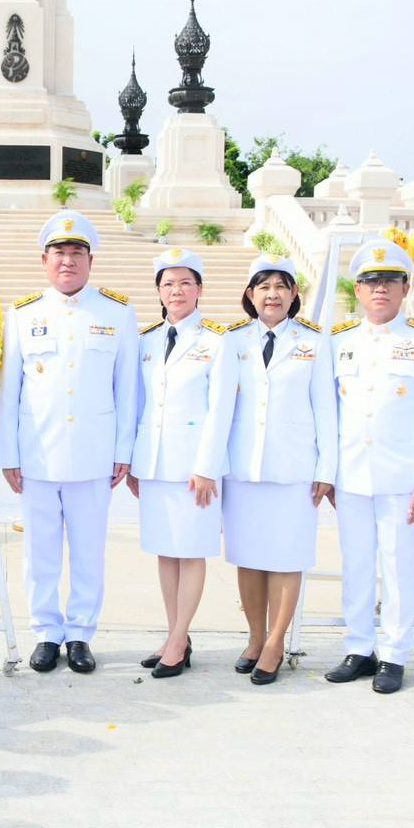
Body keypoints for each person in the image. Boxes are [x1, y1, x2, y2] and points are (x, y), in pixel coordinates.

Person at [0, 210, 139, 675]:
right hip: (37, 454)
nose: (68, 261)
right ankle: (45, 632)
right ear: (44, 260)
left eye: (77, 253)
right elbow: (9, 391)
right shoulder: (23, 314)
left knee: (88, 551)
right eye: (59, 252)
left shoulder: (116, 312)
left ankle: (79, 633)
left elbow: (127, 389)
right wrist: (8, 453)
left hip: (94, 455)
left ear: (90, 261)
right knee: (39, 552)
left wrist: (122, 452)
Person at [324, 239, 414, 694]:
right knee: (356, 564)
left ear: (405, 288)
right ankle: (359, 647)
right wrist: (328, 473)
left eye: (390, 281)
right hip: (351, 474)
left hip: (402, 478)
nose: (380, 288)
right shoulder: (339, 341)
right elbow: (329, 414)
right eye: (371, 281)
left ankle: (395, 653)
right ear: (358, 289)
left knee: (397, 567)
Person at [223, 255, 336, 684]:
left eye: (281, 286)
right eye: (264, 286)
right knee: (248, 556)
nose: (272, 294)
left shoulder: (315, 342)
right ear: (250, 295)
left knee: (287, 556)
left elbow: (326, 409)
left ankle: (276, 642)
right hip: (244, 467)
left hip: (295, 468)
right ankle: (255, 637)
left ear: (294, 295)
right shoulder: (232, 340)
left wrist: (327, 468)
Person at [125, 248, 236, 678]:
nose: (177, 291)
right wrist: (136, 463)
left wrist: (207, 466)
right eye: (168, 284)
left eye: (185, 283)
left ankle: (179, 637)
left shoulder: (216, 342)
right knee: (166, 552)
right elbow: (140, 405)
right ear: (158, 291)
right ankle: (175, 635)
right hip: (154, 465)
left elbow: (221, 410)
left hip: (194, 469)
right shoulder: (148, 341)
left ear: (199, 289)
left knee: (190, 552)